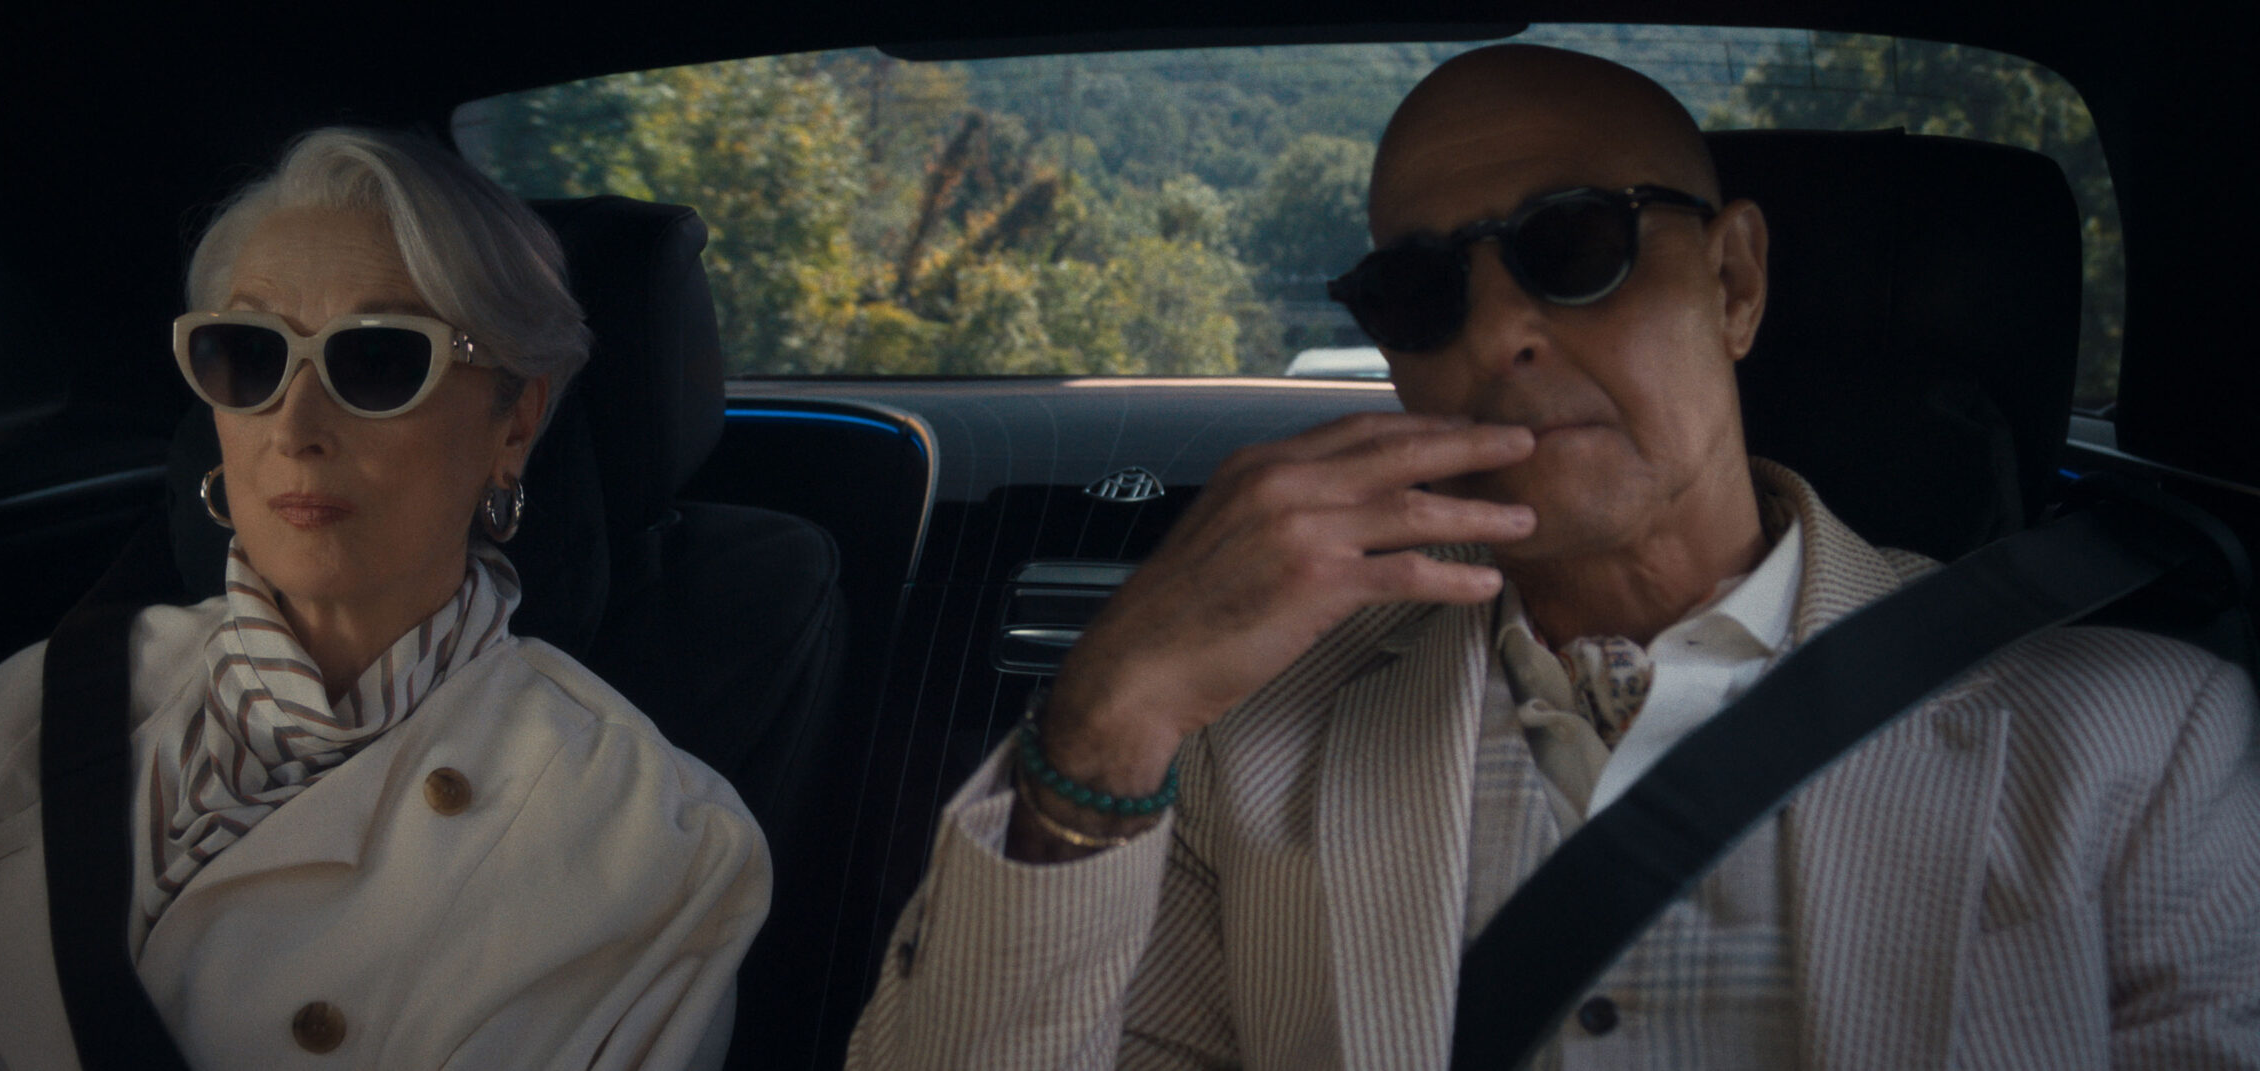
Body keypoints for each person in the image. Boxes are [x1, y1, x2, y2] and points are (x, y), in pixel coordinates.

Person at [848, 44, 2258, 1069]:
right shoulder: (1241, 749)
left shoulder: (2135, 735)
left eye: (1573, 244)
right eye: (1420, 290)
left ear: (1735, 281)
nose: (1497, 333)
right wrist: (1107, 713)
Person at [0, 128, 768, 1069]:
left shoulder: (642, 840)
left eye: (378, 359)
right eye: (249, 355)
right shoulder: (49, 699)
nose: (294, 425)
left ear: (515, 422)